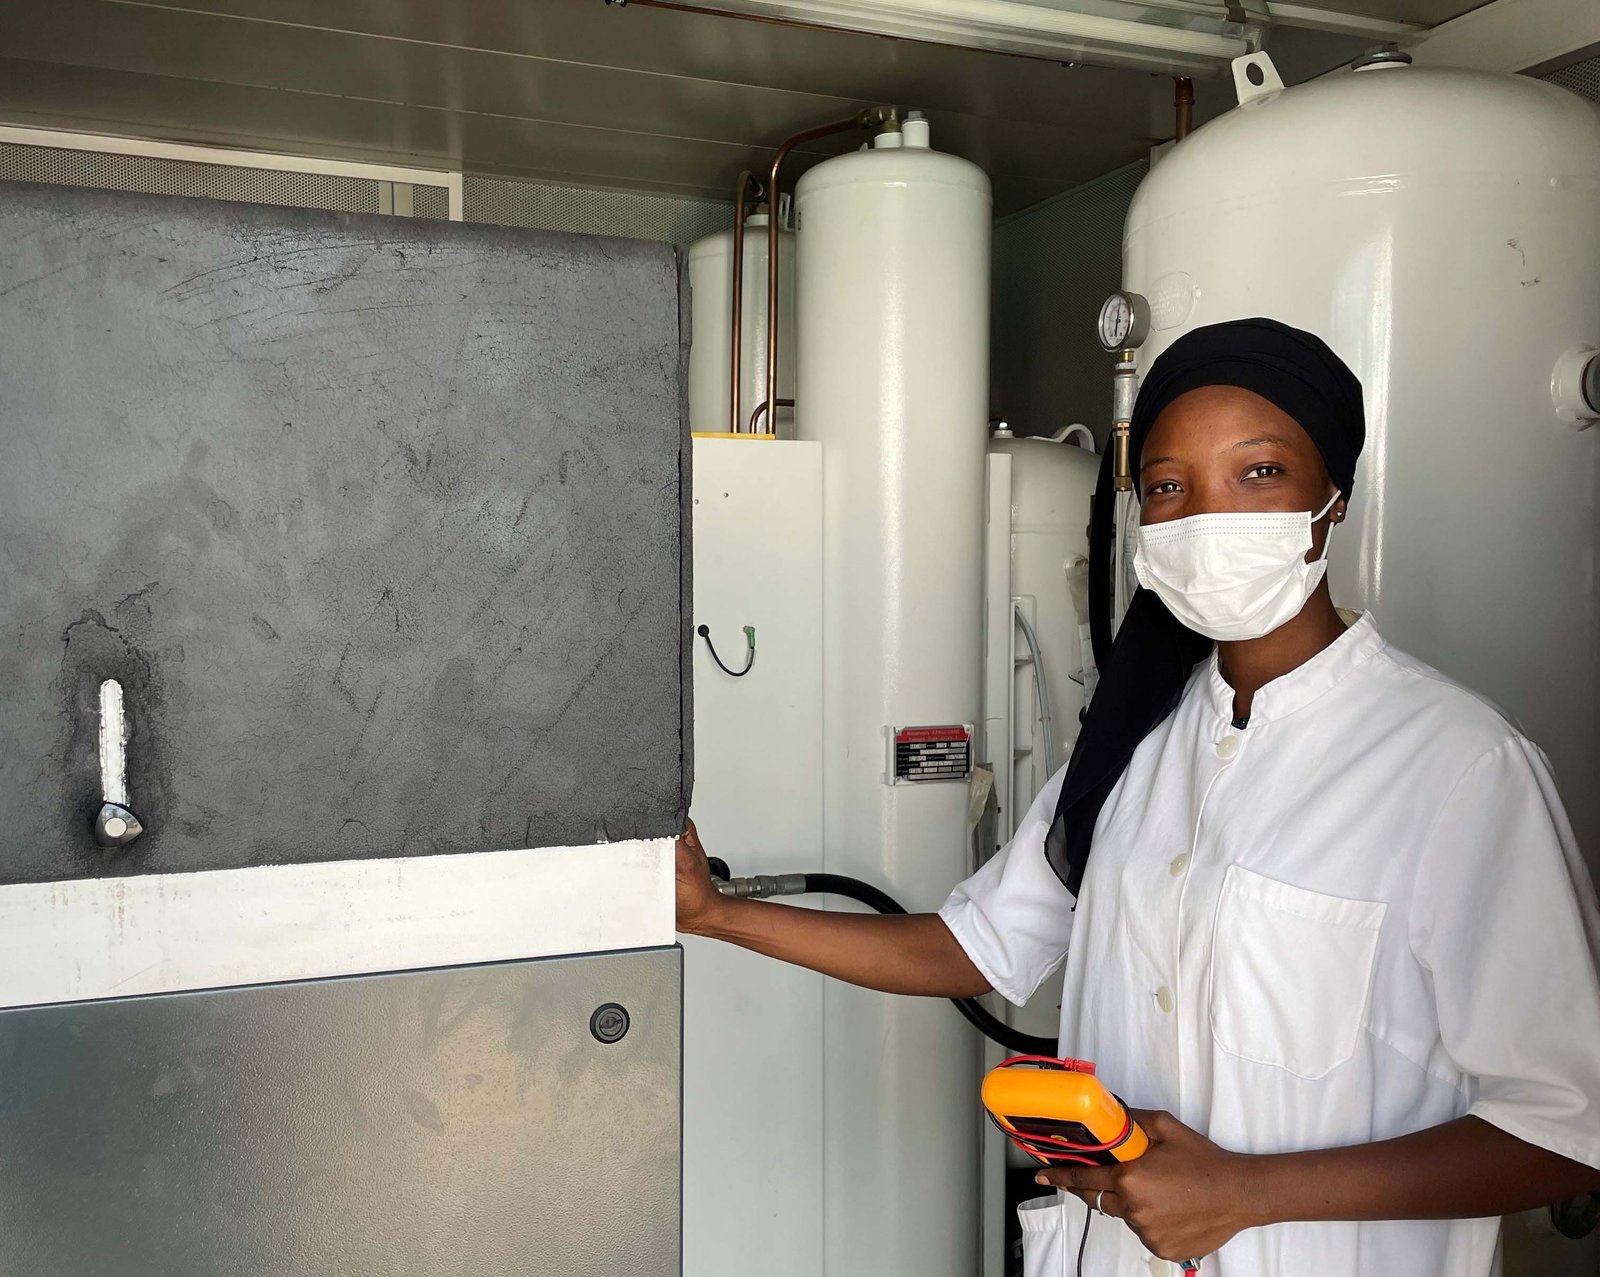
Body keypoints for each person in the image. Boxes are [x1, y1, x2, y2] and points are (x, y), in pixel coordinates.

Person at [675, 319, 1600, 1276]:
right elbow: (970, 947)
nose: (1207, 516)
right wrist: (713, 913)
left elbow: (1571, 1127)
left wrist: (1249, 1192)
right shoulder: (1133, 740)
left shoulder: (1459, 767)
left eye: (1259, 472)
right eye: (1168, 486)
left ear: (1333, 498)